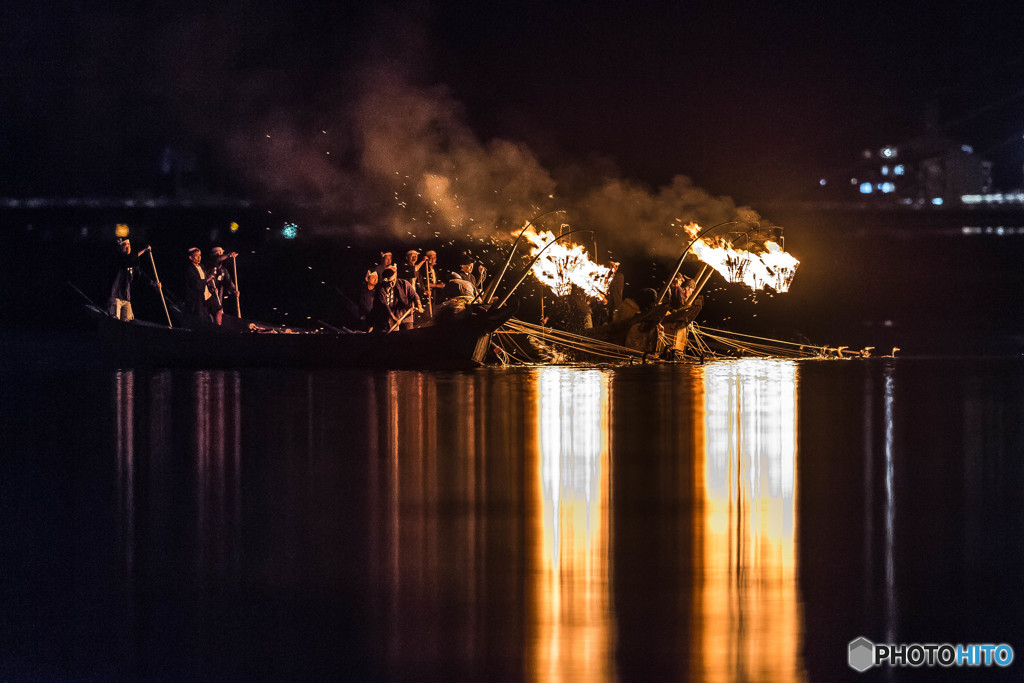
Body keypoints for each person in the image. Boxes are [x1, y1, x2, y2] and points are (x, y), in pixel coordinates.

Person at [108, 237, 153, 321]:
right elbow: (128, 261)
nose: (128, 246)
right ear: (120, 248)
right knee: (115, 321)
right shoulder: (119, 258)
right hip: (116, 297)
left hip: (126, 298)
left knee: (128, 320)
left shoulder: (133, 262)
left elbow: (141, 275)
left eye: (129, 244)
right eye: (125, 245)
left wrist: (153, 283)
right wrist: (144, 250)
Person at [370, 266, 420, 332]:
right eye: (389, 282)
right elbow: (385, 305)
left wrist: (419, 305)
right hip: (392, 316)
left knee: (409, 332)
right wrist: (394, 318)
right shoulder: (381, 289)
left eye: (393, 281)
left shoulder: (404, 283)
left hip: (406, 313)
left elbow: (414, 295)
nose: (391, 284)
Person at [185, 247, 220, 324]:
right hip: (199, 297)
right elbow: (196, 283)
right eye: (196, 256)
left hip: (207, 294)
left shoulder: (202, 266)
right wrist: (208, 279)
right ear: (191, 257)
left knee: (218, 309)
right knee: (202, 317)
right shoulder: (190, 269)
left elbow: (206, 280)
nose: (199, 257)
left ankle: (218, 327)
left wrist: (212, 288)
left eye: (200, 255)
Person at [209, 246, 238, 322]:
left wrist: (235, 290)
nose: (220, 253)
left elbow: (229, 281)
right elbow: (217, 258)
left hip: (219, 295)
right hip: (209, 293)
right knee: (211, 312)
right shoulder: (210, 263)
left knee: (219, 311)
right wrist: (228, 255)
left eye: (221, 252)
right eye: (217, 252)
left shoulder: (223, 270)